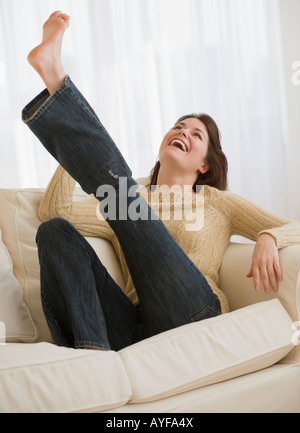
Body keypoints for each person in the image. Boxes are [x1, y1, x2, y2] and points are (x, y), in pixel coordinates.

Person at [23, 11, 300, 351]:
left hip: (194, 312)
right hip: (137, 328)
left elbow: (294, 227)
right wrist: (80, 155)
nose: (182, 131)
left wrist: (270, 236)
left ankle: (54, 74)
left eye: (196, 134)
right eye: (178, 126)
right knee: (54, 233)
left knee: (126, 203)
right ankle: (92, 358)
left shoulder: (215, 202)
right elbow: (55, 211)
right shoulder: (132, 195)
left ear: (204, 164)